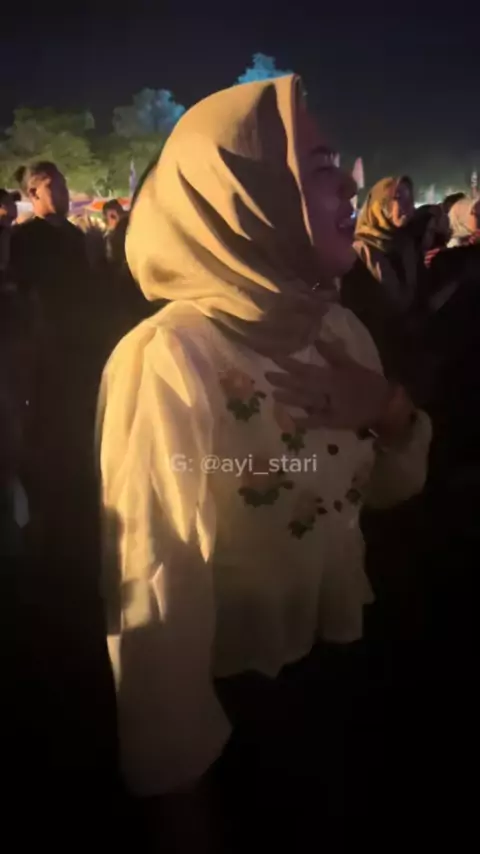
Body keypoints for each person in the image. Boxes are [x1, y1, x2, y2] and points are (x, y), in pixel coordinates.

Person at [98, 75, 431, 847]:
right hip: (243, 702)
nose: (349, 188)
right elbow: (154, 581)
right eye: (319, 168)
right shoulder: (172, 357)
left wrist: (387, 410)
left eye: (339, 165)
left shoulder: (336, 331)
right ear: (244, 194)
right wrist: (178, 787)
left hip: (351, 655)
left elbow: (389, 491)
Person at [341, 176, 418, 381]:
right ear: (378, 205)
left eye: (409, 197)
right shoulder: (358, 251)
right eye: (398, 197)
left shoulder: (407, 245)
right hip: (373, 357)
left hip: (409, 354)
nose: (407, 205)